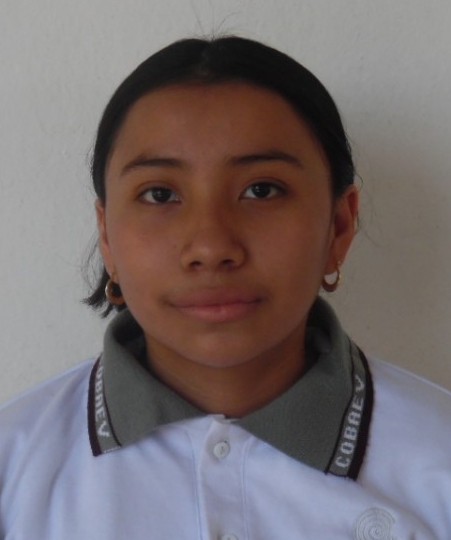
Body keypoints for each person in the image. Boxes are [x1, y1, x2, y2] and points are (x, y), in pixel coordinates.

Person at [0, 36, 450, 540]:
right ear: (107, 236)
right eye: (160, 194)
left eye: (262, 190)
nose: (212, 247)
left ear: (339, 227)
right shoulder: (13, 468)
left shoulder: (439, 460)